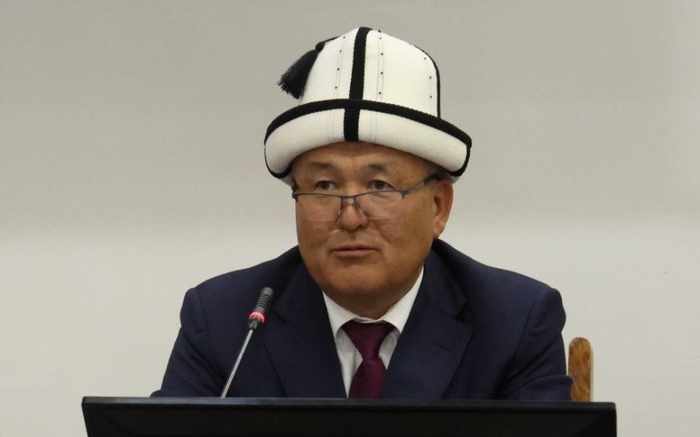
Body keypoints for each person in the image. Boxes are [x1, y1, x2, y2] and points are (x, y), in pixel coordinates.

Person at [156, 27, 570, 400]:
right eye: (324, 186)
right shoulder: (224, 320)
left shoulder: (515, 322)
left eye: (379, 186)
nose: (350, 219)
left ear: (438, 207)